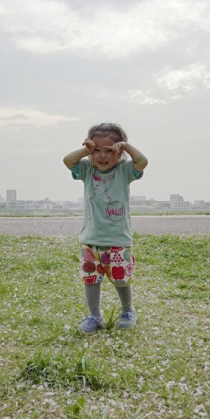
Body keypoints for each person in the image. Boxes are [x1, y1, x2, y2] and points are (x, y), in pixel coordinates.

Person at [63, 123, 148, 333]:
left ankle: (128, 310)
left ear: (119, 152)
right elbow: (67, 161)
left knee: (121, 278)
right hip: (90, 239)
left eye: (109, 150)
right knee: (91, 279)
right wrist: (85, 151)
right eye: (97, 150)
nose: (102, 155)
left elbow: (142, 162)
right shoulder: (86, 169)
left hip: (118, 239)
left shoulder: (124, 171)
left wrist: (127, 146)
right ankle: (94, 316)